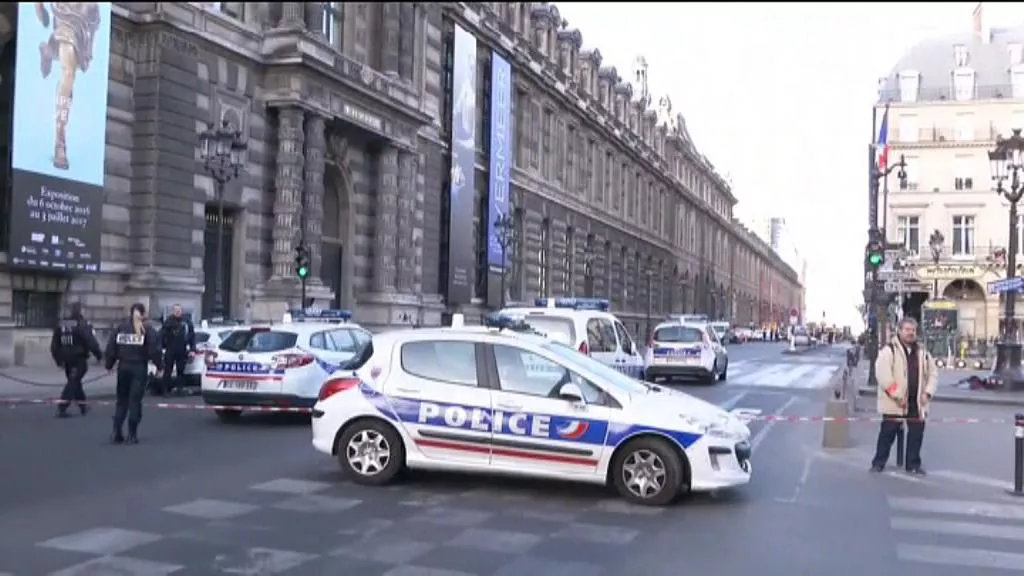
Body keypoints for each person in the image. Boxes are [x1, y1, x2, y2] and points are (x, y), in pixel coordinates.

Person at [870, 317, 938, 475]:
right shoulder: (889, 351)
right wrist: (896, 395)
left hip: (917, 402)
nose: (910, 333)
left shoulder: (923, 352)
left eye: (913, 330)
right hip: (895, 403)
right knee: (888, 433)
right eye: (907, 330)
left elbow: (933, 374)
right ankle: (878, 463)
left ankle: (913, 464)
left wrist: (928, 393)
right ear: (899, 331)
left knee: (916, 434)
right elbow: (883, 375)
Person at [105, 303, 162, 444]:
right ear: (143, 314)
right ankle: (132, 434)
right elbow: (154, 350)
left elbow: (111, 347)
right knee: (135, 401)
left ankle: (116, 431)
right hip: (139, 368)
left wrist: (109, 365)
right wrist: (159, 366)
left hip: (123, 367)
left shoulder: (120, 328)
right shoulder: (147, 330)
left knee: (121, 400)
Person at [49, 301, 102, 418]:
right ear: (81, 310)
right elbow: (90, 341)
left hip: (66, 359)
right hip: (78, 358)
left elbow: (54, 344)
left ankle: (83, 406)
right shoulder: (82, 324)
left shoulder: (62, 324)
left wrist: (58, 359)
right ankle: (62, 407)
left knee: (74, 381)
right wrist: (99, 355)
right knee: (73, 382)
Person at [158, 304, 196, 396]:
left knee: (181, 370)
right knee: (168, 370)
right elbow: (162, 334)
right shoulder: (168, 321)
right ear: (173, 311)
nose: (178, 312)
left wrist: (192, 349)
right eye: (176, 310)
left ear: (181, 311)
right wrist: (161, 347)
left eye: (179, 310)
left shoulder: (186, 321)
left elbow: (192, 336)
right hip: (170, 349)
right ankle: (165, 390)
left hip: (182, 348)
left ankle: (180, 389)